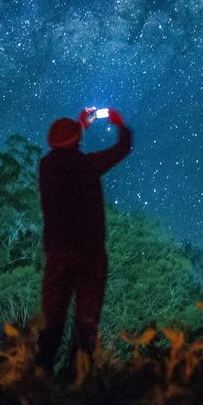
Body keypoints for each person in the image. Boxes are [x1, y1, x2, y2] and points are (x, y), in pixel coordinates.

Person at [35, 106, 132, 372]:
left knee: (52, 325)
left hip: (58, 257)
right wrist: (119, 123)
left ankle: (38, 383)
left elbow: (65, 148)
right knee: (86, 326)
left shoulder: (46, 167)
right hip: (90, 256)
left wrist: (80, 127)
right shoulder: (88, 166)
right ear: (76, 140)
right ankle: (79, 384)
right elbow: (123, 148)